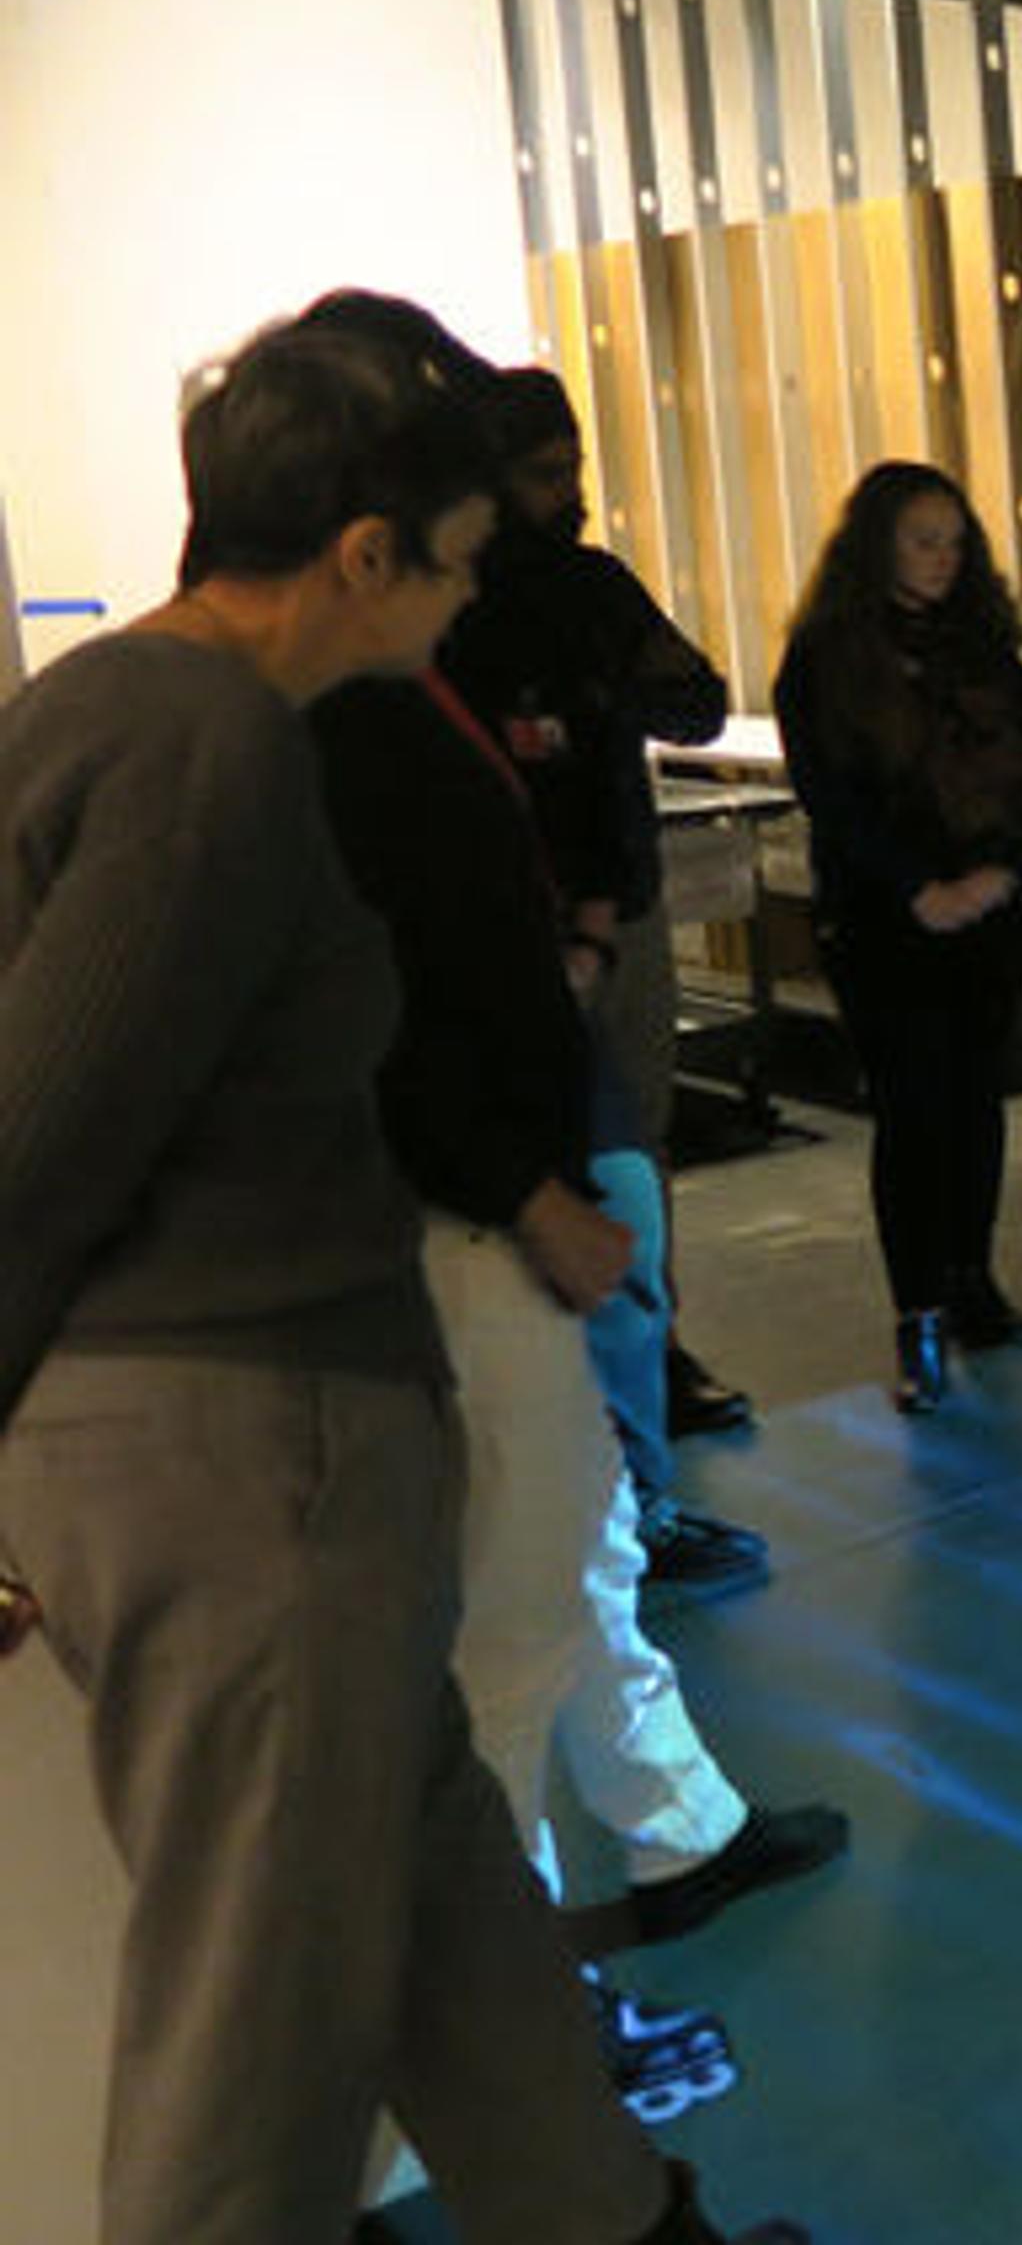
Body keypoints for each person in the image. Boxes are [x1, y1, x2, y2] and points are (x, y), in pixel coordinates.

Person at [0, 305, 799, 2243]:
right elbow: (36, 1140)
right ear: (364, 552)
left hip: (282, 1451)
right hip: (247, 1467)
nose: (465, 600)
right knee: (249, 2054)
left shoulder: (108, 716)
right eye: (453, 558)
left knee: (456, 1929)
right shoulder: (208, 747)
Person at [308, 644, 851, 2087]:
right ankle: (520, 1993)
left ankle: (680, 1831)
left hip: (500, 1205)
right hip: (473, 1222)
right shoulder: (335, 726)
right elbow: (396, 1021)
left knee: (576, 1544)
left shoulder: (380, 701)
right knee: (512, 1619)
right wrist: (533, 1191)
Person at [448, 364, 771, 1610]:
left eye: (573, 462)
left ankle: (648, 1364)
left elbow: (693, 694)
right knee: (569, 1160)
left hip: (617, 911)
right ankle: (589, 1431)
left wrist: (606, 680)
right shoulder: (474, 608)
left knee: (636, 1151)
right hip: (522, 928)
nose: (567, 490)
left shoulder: (590, 586)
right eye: (542, 470)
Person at [773, 461, 1022, 1415]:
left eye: (953, 541)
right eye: (921, 540)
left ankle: (973, 1281)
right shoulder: (827, 654)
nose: (940, 560)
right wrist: (917, 887)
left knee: (976, 1094)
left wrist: (1003, 869)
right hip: (886, 914)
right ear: (879, 545)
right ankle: (919, 1313)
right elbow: (830, 793)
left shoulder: (983, 644)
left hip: (993, 904)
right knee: (913, 1104)